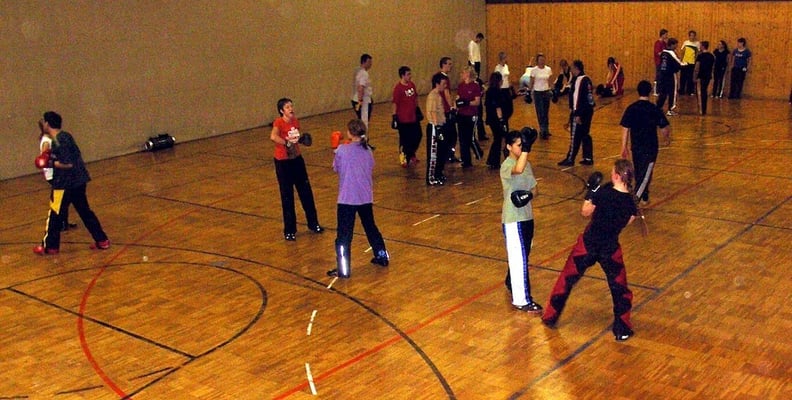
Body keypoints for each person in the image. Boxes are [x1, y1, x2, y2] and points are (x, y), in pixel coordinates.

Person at [542, 159, 639, 342]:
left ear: (616, 176)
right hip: (610, 247)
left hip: (588, 244)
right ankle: (622, 329)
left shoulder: (604, 192)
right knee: (620, 289)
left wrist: (590, 191)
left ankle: (550, 317)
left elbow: (585, 212)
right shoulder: (631, 202)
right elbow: (629, 221)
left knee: (566, 279)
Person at [33, 111, 110, 255]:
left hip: (63, 184)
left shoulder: (58, 141)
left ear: (47, 123)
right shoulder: (66, 136)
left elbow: (68, 163)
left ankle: (50, 247)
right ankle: (102, 240)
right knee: (85, 211)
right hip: (78, 181)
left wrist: (50, 163)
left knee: (55, 214)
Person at [327, 119, 389, 278]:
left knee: (344, 235)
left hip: (347, 198)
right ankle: (382, 255)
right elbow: (370, 166)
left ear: (349, 133)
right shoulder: (368, 150)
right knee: (370, 227)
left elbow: (336, 168)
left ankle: (343, 269)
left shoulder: (342, 150)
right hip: (365, 196)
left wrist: (335, 150)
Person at [269, 98, 324, 241]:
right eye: (287, 107)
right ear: (281, 110)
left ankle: (313, 223)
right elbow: (273, 136)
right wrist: (286, 143)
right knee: (287, 195)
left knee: (306, 192)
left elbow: (295, 140)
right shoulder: (278, 122)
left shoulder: (295, 121)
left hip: (297, 160)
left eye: (291, 106)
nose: (291, 109)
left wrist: (301, 141)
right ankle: (290, 230)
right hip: (283, 163)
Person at [500, 129, 542, 313]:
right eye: (519, 145)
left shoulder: (527, 164)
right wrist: (526, 149)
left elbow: (535, 189)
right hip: (513, 219)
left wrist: (528, 195)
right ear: (509, 147)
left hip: (527, 217)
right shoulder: (507, 165)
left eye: (523, 145)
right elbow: (517, 169)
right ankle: (521, 300)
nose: (522, 148)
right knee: (519, 259)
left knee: (523, 255)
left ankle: (511, 281)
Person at [620, 81, 671, 204]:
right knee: (646, 174)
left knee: (640, 171)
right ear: (650, 91)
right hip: (650, 147)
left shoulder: (631, 108)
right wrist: (667, 138)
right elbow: (664, 128)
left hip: (636, 146)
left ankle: (644, 195)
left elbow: (625, 128)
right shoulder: (654, 109)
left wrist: (623, 146)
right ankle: (634, 201)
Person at [37, 120, 76, 232]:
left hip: (56, 172)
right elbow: (45, 157)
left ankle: (64, 222)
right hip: (53, 174)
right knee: (60, 200)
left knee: (64, 198)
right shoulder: (47, 141)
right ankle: (59, 223)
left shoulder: (51, 139)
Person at [558, 60, 595, 167]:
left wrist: (577, 114)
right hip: (588, 111)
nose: (571, 70)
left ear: (576, 68)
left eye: (572, 68)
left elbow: (578, 99)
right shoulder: (587, 79)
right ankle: (588, 157)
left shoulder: (579, 80)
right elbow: (590, 99)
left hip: (580, 112)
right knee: (585, 134)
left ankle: (570, 159)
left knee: (575, 136)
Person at [391, 66, 422, 168]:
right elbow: (395, 103)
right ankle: (403, 158)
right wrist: (394, 116)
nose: (410, 76)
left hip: (413, 117)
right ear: (402, 75)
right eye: (408, 74)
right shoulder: (398, 88)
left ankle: (411, 153)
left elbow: (415, 97)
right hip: (403, 119)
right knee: (404, 140)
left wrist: (417, 109)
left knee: (418, 135)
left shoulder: (412, 85)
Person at [455, 66, 483, 168]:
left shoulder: (475, 86)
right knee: (462, 138)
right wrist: (456, 106)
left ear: (468, 74)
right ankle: (466, 161)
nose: (461, 74)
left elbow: (477, 102)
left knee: (470, 137)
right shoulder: (461, 85)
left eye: (463, 72)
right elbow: (458, 98)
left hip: (471, 115)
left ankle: (478, 152)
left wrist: (467, 103)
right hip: (461, 114)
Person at [426, 73, 449, 186]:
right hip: (435, 127)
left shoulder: (439, 95)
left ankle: (438, 173)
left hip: (440, 125)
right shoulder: (433, 96)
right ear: (437, 84)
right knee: (433, 154)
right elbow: (433, 112)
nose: (445, 86)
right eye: (443, 84)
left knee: (441, 152)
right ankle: (431, 177)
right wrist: (437, 127)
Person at [485, 72, 511, 169]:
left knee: (497, 139)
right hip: (496, 119)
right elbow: (498, 106)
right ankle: (494, 161)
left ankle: (492, 160)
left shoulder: (489, 91)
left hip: (491, 118)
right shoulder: (497, 92)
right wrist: (501, 119)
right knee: (498, 139)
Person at [438, 57, 460, 163]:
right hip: (445, 110)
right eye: (449, 64)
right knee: (451, 134)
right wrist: (452, 107)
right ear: (444, 64)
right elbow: (447, 94)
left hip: (442, 109)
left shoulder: (439, 77)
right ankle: (449, 154)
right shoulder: (444, 78)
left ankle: (447, 154)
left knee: (448, 133)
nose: (451, 66)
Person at [527, 53, 554, 139]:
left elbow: (550, 81)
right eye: (540, 59)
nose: (542, 61)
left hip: (546, 92)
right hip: (537, 93)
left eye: (543, 59)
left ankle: (546, 129)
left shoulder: (548, 69)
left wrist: (553, 91)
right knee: (540, 112)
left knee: (546, 112)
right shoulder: (534, 70)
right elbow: (531, 82)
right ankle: (542, 130)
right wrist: (528, 92)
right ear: (537, 61)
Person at [657, 38, 684, 116]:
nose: (676, 46)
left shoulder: (663, 53)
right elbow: (678, 63)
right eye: (676, 45)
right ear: (672, 45)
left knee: (663, 92)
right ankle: (671, 109)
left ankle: (658, 107)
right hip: (670, 75)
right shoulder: (671, 53)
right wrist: (683, 65)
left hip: (662, 75)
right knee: (672, 92)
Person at [351, 54, 373, 128]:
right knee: (364, 121)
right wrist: (360, 100)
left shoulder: (358, 71)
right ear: (364, 62)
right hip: (364, 100)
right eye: (369, 62)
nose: (370, 64)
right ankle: (363, 134)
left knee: (361, 119)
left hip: (357, 98)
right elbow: (361, 87)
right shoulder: (364, 74)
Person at [694, 41, 715, 115]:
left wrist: (695, 76)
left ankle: (701, 109)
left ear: (703, 46)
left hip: (701, 76)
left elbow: (697, 67)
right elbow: (713, 67)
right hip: (708, 75)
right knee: (704, 91)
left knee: (700, 92)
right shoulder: (712, 56)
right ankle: (704, 109)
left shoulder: (700, 56)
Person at [680, 30, 700, 95]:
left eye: (693, 36)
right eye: (691, 35)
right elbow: (682, 52)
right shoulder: (686, 42)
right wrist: (681, 61)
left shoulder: (697, 43)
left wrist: (695, 61)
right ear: (689, 36)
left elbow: (697, 53)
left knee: (690, 77)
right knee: (683, 77)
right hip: (685, 62)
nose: (692, 37)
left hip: (692, 62)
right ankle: (681, 90)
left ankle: (690, 91)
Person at [653, 29, 669, 96]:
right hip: (659, 62)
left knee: (663, 77)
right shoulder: (658, 43)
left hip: (664, 63)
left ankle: (661, 90)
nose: (667, 36)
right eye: (666, 34)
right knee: (658, 76)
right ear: (662, 35)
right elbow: (658, 53)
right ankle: (656, 91)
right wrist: (664, 52)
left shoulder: (664, 43)